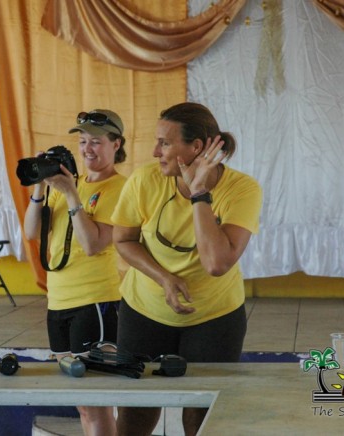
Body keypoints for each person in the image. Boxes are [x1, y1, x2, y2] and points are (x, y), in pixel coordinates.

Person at [111, 102, 262, 436]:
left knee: (202, 417)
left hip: (214, 317)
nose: (155, 151)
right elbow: (123, 240)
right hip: (144, 312)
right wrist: (164, 277)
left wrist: (199, 194)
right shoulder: (144, 181)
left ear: (196, 147)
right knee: (134, 416)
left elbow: (217, 263)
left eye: (165, 143)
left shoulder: (242, 189)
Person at [23, 109, 127, 436]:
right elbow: (31, 231)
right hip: (59, 303)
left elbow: (94, 244)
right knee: (81, 401)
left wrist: (70, 194)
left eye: (96, 142)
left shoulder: (121, 188)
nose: (87, 149)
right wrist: (41, 187)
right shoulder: (67, 184)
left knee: (96, 399)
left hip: (96, 301)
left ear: (116, 144)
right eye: (82, 141)